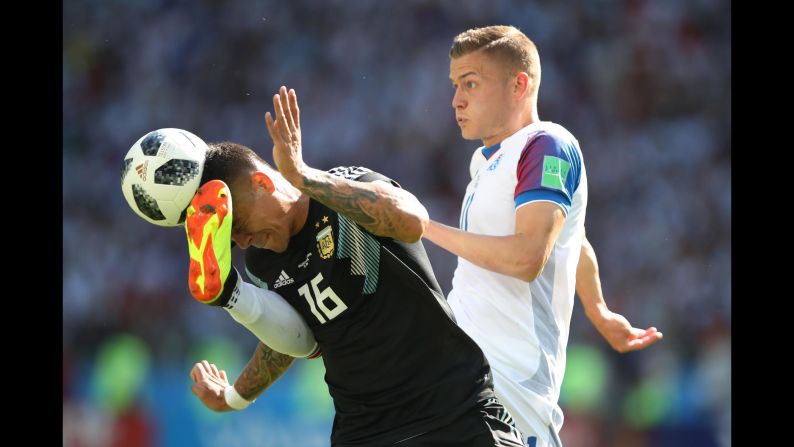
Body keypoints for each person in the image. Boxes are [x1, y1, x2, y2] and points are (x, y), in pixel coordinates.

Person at [186, 86, 527, 447]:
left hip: (451, 413)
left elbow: (413, 222)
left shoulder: (345, 188)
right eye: (231, 236)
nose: (241, 241)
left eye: (238, 225)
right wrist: (233, 397)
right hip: (364, 433)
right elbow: (293, 336)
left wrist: (303, 177)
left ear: (262, 183)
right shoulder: (262, 260)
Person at [421, 26, 663, 447]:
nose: (456, 100)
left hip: (513, 394)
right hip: (467, 383)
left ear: (519, 84)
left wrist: (422, 228)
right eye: (456, 85)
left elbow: (529, 257)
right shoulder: (484, 164)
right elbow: (574, 238)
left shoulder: (546, 144)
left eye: (471, 83)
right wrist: (599, 310)